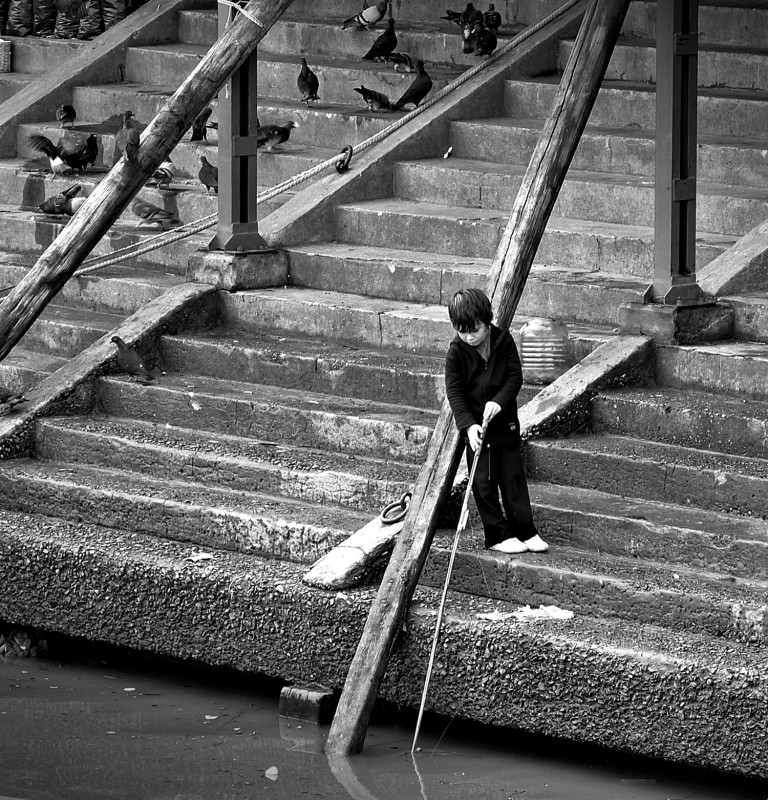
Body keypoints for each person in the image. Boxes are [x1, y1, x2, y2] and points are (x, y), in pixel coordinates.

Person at [444, 288, 548, 554]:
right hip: (478, 432)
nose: (469, 336)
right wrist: (468, 425)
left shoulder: (504, 340)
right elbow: (454, 392)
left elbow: (515, 378)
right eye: (462, 330)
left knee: (513, 479)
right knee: (483, 484)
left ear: (487, 321)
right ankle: (498, 535)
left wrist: (499, 402)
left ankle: (526, 531)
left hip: (505, 426)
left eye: (475, 330)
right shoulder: (456, 352)